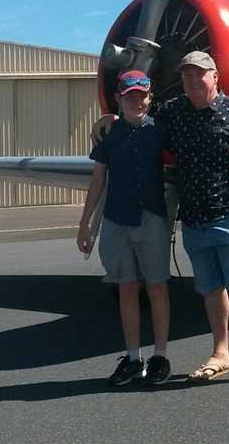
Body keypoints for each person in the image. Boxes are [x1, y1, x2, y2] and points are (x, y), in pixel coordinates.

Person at [93, 51, 229, 390]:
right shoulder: (174, 110)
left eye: (200, 74)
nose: (193, 80)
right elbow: (138, 114)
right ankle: (220, 354)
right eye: (187, 75)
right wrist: (107, 119)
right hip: (193, 216)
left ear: (215, 77)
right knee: (210, 288)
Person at [78, 70, 172, 386]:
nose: (136, 101)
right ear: (119, 98)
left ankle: (160, 355)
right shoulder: (108, 134)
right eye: (129, 96)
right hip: (116, 220)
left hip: (152, 219)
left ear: (150, 98)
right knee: (127, 288)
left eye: (142, 95)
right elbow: (98, 179)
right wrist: (85, 223)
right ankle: (133, 358)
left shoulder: (161, 130)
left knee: (157, 286)